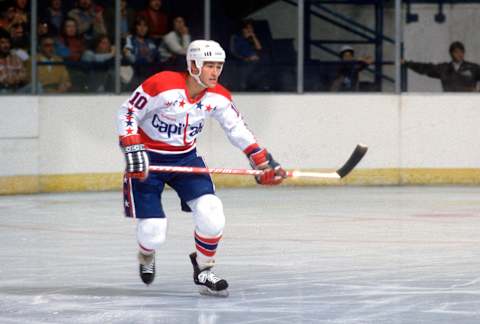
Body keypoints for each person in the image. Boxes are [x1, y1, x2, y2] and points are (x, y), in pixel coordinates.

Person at [116, 40, 286, 297]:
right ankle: (146, 255)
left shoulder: (218, 96)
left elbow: (236, 128)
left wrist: (262, 160)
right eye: (209, 66)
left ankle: (204, 268)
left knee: (212, 212)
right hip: (149, 160)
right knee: (153, 233)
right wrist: (132, 147)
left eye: (219, 66)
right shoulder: (163, 84)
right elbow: (128, 112)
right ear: (193, 65)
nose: (215, 72)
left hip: (186, 159)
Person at [404, 41, 480, 92]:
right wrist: (407, 63)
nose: (460, 54)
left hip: (469, 103)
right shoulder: (444, 68)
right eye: (456, 52)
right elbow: (425, 68)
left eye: (462, 52)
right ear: (451, 54)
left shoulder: (473, 67)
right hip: (449, 103)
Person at [230, 20, 269, 91]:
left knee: (262, 63)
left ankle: (262, 86)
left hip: (255, 60)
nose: (251, 30)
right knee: (250, 67)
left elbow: (259, 48)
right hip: (243, 60)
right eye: (249, 28)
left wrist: (253, 36)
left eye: (251, 28)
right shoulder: (236, 38)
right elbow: (233, 52)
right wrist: (246, 58)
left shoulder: (251, 38)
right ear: (244, 29)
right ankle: (244, 86)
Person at [123, 17, 158, 88]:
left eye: (145, 26)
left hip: (149, 73)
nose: (142, 28)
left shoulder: (151, 42)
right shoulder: (130, 39)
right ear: (135, 27)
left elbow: (153, 59)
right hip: (134, 72)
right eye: (139, 25)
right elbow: (130, 58)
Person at [0, 28, 27, 93]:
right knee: (4, 91)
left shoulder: (15, 57)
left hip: (17, 89)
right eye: (2, 42)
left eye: (8, 42)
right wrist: (6, 80)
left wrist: (14, 79)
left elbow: (24, 74)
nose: (6, 45)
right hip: (2, 90)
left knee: (37, 86)